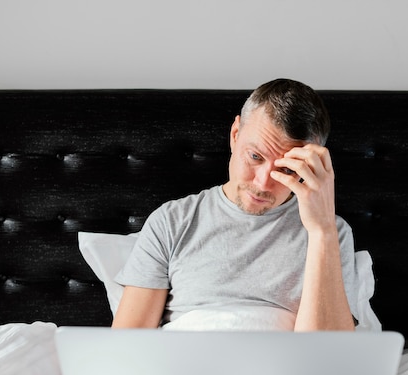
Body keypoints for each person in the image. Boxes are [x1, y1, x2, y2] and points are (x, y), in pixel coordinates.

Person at [112, 78, 357, 332]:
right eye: (255, 156)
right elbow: (126, 346)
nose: (263, 183)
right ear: (235, 135)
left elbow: (328, 357)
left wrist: (322, 232)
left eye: (285, 169)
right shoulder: (171, 222)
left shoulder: (332, 235)